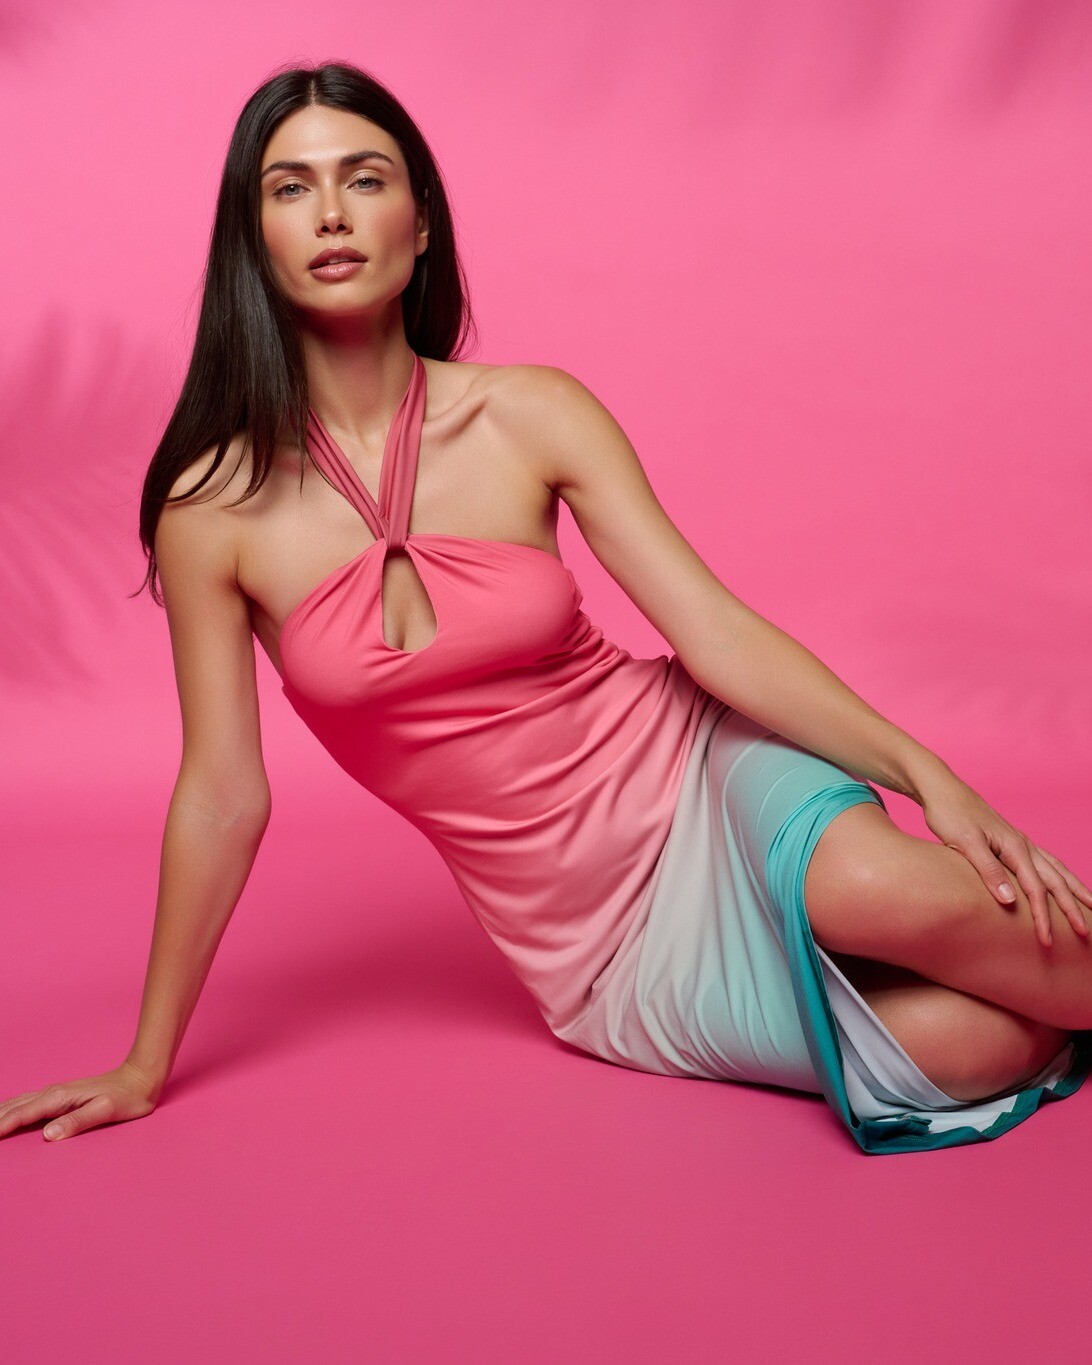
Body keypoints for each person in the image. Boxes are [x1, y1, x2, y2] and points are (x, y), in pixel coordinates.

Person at [2, 61, 1090, 1156]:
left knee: (867, 885)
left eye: (365, 179)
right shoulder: (212, 508)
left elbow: (713, 631)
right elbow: (222, 795)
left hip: (696, 771)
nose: (332, 213)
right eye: (290, 188)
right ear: (255, 238)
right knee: (970, 1047)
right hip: (595, 942)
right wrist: (144, 1062)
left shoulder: (532, 413)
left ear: (421, 222)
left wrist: (930, 777)